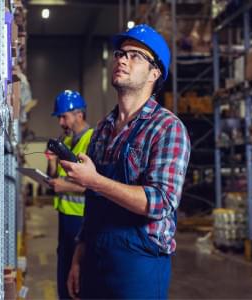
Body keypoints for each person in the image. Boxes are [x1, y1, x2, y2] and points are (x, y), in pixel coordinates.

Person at [61, 24, 191, 299]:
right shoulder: (103, 130)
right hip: (95, 258)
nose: (122, 59)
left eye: (134, 55)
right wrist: (78, 256)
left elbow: (160, 201)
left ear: (155, 73)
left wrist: (94, 180)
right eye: (120, 53)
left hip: (139, 266)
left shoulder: (168, 128)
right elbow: (93, 204)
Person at [46, 90, 94, 299]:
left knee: (78, 274)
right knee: (64, 267)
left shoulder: (91, 140)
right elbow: (55, 176)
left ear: (79, 115)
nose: (61, 122)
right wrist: (50, 161)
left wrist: (65, 187)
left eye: (64, 116)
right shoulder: (67, 142)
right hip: (65, 216)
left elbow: (95, 184)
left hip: (82, 218)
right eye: (59, 117)